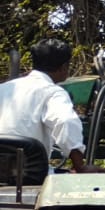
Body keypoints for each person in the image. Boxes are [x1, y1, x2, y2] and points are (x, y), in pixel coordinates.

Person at [0, 37, 95, 173]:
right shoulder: (53, 92)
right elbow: (65, 121)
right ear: (64, 67)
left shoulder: (3, 89)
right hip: (30, 177)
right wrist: (80, 166)